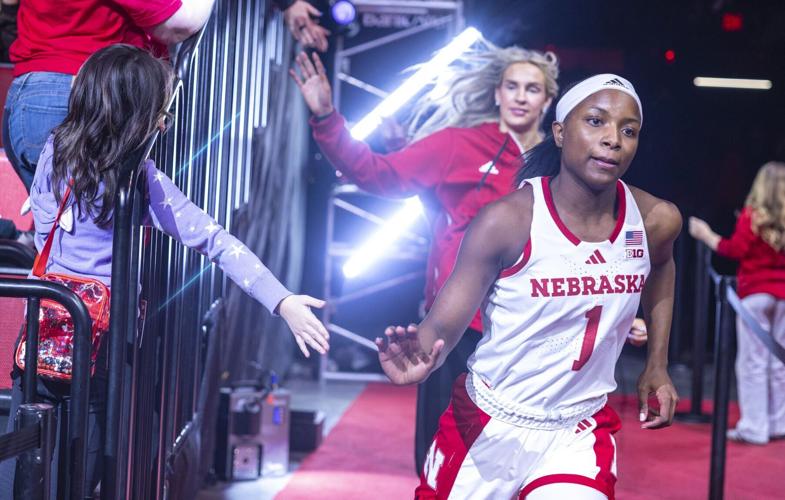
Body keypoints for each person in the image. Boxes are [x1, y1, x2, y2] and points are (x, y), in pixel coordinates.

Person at [0, 44, 330, 498]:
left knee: (26, 462)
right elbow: (216, 241)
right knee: (85, 469)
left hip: (41, 339)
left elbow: (43, 230)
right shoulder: (140, 180)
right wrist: (282, 299)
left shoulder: (55, 151)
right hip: (100, 352)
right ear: (142, 117)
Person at [376, 74, 681, 499]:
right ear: (559, 132)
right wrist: (418, 354)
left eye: (628, 130)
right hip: (488, 423)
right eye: (596, 122)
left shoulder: (654, 220)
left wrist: (657, 363)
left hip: (579, 427)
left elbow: (661, 268)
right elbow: (443, 325)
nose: (613, 139)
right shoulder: (508, 221)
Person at [290, 41, 560, 472]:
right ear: (497, 94)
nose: (521, 96)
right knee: (438, 456)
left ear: (548, 100)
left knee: (515, 459)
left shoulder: (559, 163)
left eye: (532, 89)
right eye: (512, 86)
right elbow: (375, 173)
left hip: (528, 329)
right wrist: (326, 117)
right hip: (454, 325)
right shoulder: (459, 145)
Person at [3, 0, 328, 192]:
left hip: (36, 96)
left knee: (65, 261)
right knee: (91, 267)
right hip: (80, 100)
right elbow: (178, 22)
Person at [689, 162, 785, 445]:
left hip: (755, 295)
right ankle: (779, 422)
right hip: (784, 296)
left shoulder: (753, 216)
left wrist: (706, 235)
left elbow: (734, 249)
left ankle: (755, 426)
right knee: (779, 363)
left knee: (753, 363)